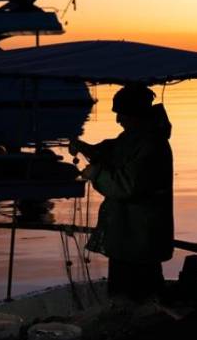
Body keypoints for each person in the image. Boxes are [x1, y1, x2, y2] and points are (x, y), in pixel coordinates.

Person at [69, 84, 174, 302]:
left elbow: (128, 186)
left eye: (121, 114)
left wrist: (96, 172)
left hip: (141, 238)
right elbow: (109, 151)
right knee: (122, 292)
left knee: (139, 295)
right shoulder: (132, 138)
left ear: (136, 114)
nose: (118, 120)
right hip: (126, 237)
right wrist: (83, 147)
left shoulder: (152, 144)